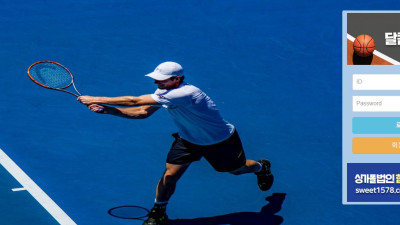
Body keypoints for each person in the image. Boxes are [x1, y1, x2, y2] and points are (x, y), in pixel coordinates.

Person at [77, 62, 273, 225]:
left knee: (236, 170)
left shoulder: (186, 93)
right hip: (187, 140)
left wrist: (94, 98)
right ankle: (158, 212)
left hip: (220, 141)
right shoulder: (164, 91)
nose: (156, 81)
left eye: (161, 79)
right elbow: (142, 112)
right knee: (170, 175)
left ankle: (261, 167)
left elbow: (134, 101)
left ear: (176, 79)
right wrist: (109, 110)